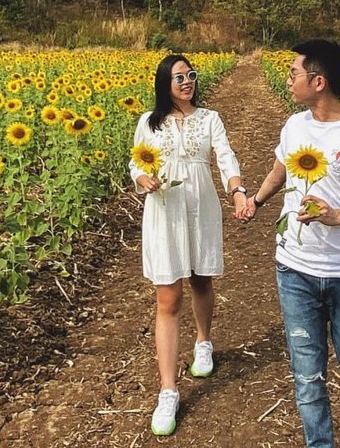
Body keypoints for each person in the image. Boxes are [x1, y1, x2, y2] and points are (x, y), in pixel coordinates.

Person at [244, 39, 340, 448]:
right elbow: (281, 168)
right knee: (307, 374)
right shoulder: (295, 125)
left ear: (318, 81)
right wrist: (257, 201)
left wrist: (338, 216)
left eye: (294, 73)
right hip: (294, 268)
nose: (288, 79)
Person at [129, 54, 248, 436]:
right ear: (164, 82)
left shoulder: (209, 118)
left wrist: (237, 190)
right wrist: (143, 176)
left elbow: (226, 157)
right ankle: (168, 390)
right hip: (164, 209)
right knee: (168, 298)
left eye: (191, 75)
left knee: (201, 280)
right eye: (179, 77)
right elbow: (136, 163)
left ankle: (204, 341)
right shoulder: (148, 122)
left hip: (201, 206)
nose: (187, 82)